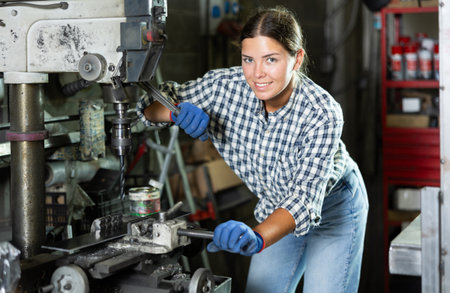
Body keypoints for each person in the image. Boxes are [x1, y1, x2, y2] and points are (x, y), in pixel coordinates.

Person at [137, 6, 368, 293]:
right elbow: (148, 108)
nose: (257, 74)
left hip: (336, 210)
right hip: (276, 206)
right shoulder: (225, 87)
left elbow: (305, 198)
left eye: (270, 59)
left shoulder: (322, 112)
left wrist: (257, 237)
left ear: (296, 59)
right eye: (248, 60)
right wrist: (174, 113)